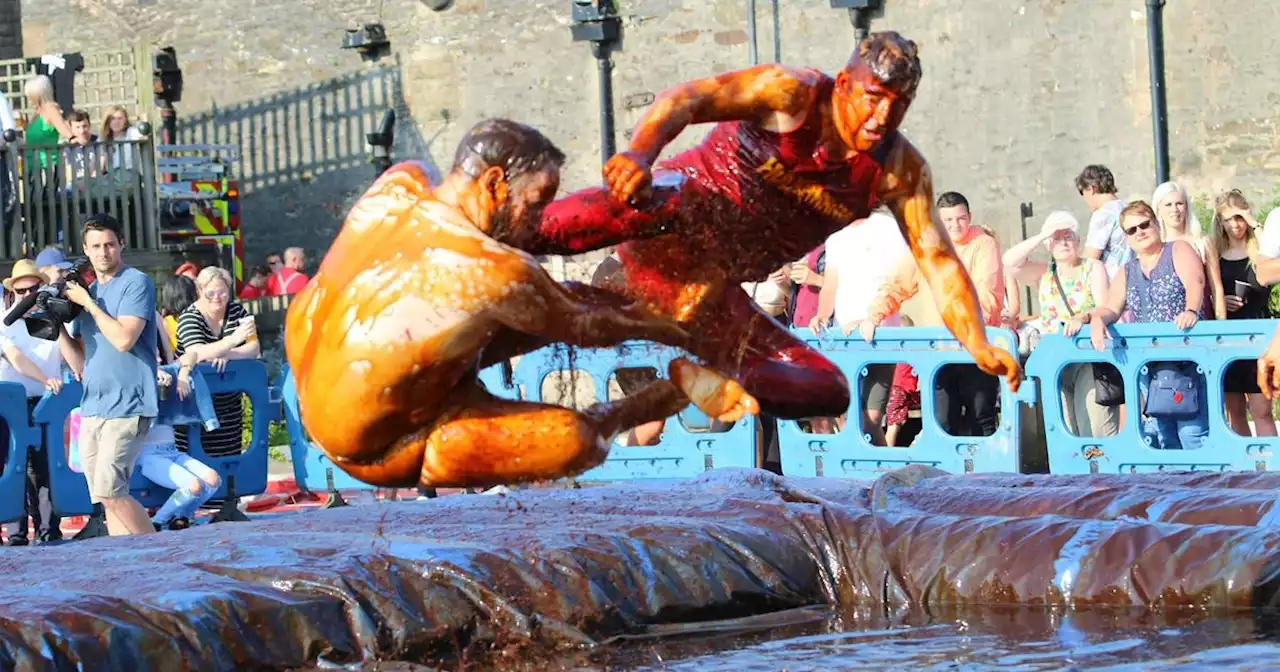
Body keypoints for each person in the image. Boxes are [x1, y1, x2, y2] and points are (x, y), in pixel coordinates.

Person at [520, 31, 1020, 423]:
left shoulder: (899, 171)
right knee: (652, 197)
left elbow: (937, 258)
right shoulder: (791, 91)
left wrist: (975, 341)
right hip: (676, 216)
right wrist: (639, 152)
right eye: (873, 98)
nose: (882, 117)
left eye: (898, 104)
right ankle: (498, 233)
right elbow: (689, 98)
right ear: (844, 86)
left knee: (828, 389)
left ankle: (714, 377)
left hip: (714, 287)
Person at [285, 119, 735, 489]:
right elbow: (585, 327)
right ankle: (646, 405)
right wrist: (678, 326)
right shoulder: (491, 269)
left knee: (526, 313)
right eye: (536, 204)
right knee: (574, 440)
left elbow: (560, 309)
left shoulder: (400, 184)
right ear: (495, 183)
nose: (539, 223)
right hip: (380, 449)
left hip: (322, 388)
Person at [56, 213, 159, 536]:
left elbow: (124, 339)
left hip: (129, 402)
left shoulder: (135, 283)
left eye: (110, 245)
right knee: (105, 496)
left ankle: (159, 555)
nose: (104, 252)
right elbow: (79, 362)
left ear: (121, 245)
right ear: (85, 250)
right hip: (93, 406)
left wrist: (87, 302)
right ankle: (127, 561)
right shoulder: (88, 295)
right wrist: (54, 325)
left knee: (112, 491)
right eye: (96, 246)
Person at [1088, 201, 1207, 451]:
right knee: (1164, 437)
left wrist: (1191, 310)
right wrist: (1095, 319)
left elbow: (1195, 282)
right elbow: (1110, 307)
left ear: (1156, 224)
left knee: (1193, 434)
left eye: (1144, 224)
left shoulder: (1178, 249)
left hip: (1187, 359)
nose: (1140, 232)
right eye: (1132, 230)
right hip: (1150, 366)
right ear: (1127, 238)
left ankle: (1204, 486)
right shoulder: (1127, 270)